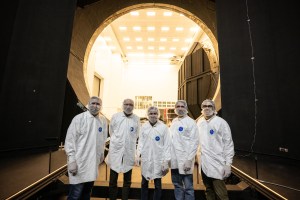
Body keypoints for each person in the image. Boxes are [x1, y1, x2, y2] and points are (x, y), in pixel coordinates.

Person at [64, 96, 108, 200]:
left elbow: (103, 140)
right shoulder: (79, 119)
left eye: (98, 104)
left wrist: (101, 156)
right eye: (93, 103)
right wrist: (72, 160)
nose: (95, 106)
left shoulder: (103, 121)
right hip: (79, 164)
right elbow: (70, 140)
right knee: (75, 195)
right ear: (88, 104)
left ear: (101, 107)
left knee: (86, 194)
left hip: (92, 165)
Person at [196, 99, 234, 200]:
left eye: (209, 106)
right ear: (201, 109)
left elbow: (228, 144)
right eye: (204, 106)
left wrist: (228, 164)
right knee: (209, 191)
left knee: (221, 194)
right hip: (204, 164)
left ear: (214, 108)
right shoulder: (200, 122)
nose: (207, 108)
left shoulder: (221, 123)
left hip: (217, 165)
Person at [105, 98, 140, 200]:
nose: (128, 106)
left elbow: (137, 134)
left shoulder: (136, 119)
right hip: (116, 151)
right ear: (123, 105)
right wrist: (118, 142)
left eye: (131, 104)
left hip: (129, 152)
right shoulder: (115, 117)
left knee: (127, 181)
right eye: (126, 104)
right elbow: (111, 132)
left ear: (133, 107)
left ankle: (125, 198)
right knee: (113, 180)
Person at [136, 106, 171, 200]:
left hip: (158, 159)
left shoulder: (163, 127)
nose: (153, 115)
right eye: (151, 113)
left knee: (158, 184)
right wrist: (138, 155)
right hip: (146, 159)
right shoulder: (144, 127)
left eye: (155, 113)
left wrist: (165, 161)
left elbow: (167, 145)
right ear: (147, 115)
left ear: (158, 115)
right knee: (144, 183)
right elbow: (141, 142)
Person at [170, 100, 199, 200]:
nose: (180, 108)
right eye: (178, 106)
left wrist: (189, 159)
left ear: (186, 108)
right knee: (177, 186)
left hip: (185, 160)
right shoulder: (174, 122)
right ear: (175, 108)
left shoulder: (191, 122)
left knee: (188, 188)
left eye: (182, 106)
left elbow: (194, 142)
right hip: (174, 160)